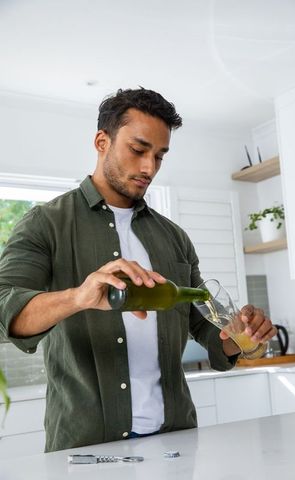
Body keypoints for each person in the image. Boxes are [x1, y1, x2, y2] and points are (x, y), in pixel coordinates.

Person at [0, 87, 277, 452]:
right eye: (138, 149)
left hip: (177, 440)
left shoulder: (173, 237)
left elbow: (206, 328)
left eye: (160, 156)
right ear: (102, 141)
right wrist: (78, 297)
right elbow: (7, 308)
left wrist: (239, 336)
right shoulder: (45, 224)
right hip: (87, 449)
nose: (150, 167)